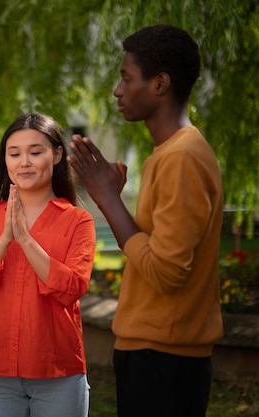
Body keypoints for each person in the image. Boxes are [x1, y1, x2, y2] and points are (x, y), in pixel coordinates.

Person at [68, 25, 224, 417]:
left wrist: (107, 202)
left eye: (126, 78)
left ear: (160, 84)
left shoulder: (180, 158)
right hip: (158, 351)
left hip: (163, 357)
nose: (118, 91)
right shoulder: (170, 154)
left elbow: (168, 272)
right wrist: (114, 201)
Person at [0, 113, 95, 417]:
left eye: (36, 152)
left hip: (58, 370)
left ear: (57, 154)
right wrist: (5, 239)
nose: (25, 162)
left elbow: (72, 288)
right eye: (14, 153)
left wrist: (26, 240)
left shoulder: (77, 221)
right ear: (4, 159)